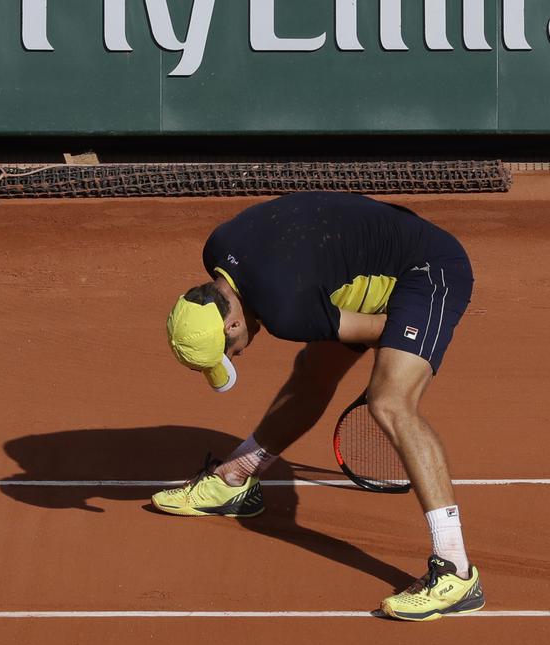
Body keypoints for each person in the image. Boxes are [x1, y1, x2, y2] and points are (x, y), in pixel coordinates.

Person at [157, 192, 482, 622]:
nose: (237, 356)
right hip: (365, 263)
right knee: (312, 373)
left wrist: (397, 360)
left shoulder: (285, 309)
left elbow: (383, 327)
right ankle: (235, 479)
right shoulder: (219, 249)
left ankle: (456, 570)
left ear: (231, 322)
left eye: (229, 350)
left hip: (425, 268)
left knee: (390, 402)